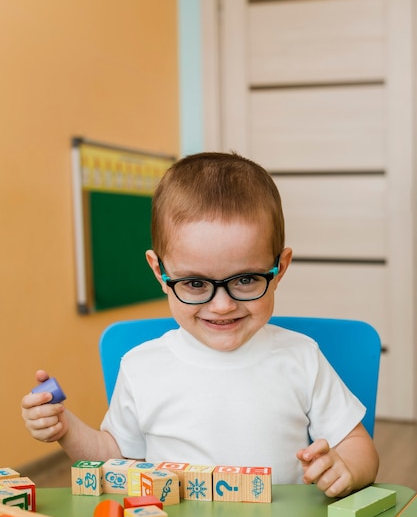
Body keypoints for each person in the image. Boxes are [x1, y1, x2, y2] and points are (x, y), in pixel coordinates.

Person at [21, 152, 378, 497]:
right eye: (194, 284)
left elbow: (358, 446)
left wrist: (346, 468)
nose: (222, 305)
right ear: (160, 272)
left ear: (279, 268)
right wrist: (65, 430)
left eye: (245, 280)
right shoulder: (141, 366)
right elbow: (116, 460)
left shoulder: (302, 357)